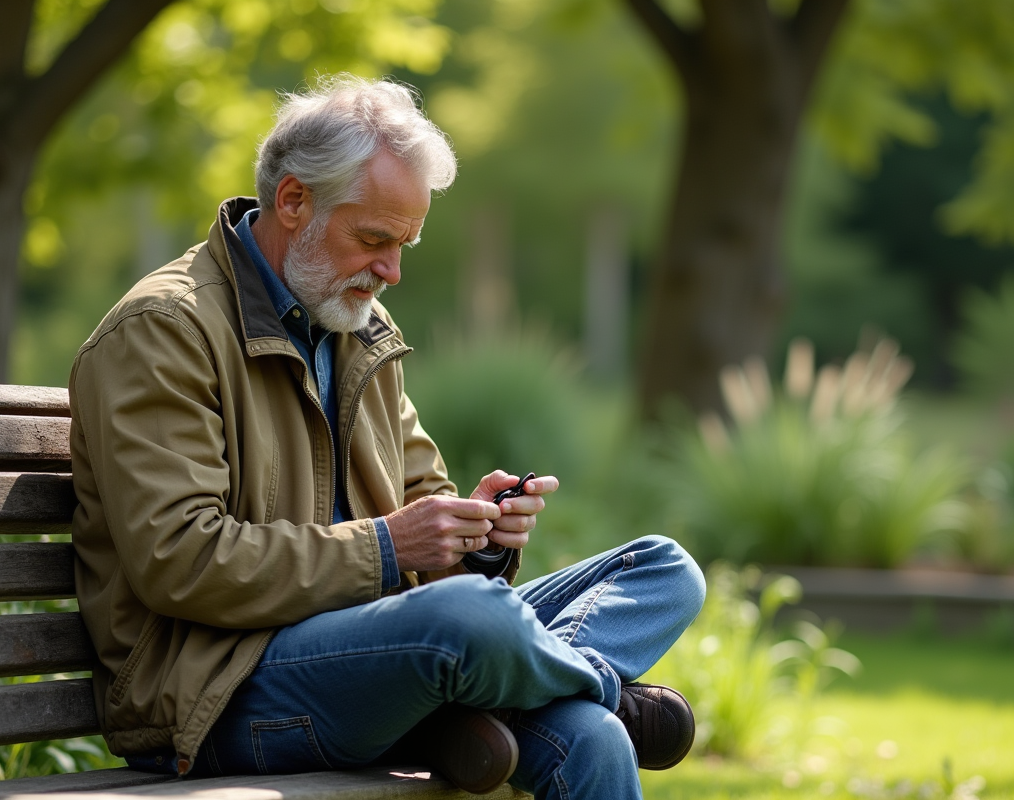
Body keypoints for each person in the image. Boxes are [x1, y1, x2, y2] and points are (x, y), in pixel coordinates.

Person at [69, 75, 705, 800]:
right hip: (219, 693)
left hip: (383, 658)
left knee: (662, 575)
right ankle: (602, 687)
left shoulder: (354, 327)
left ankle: (532, 692)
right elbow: (178, 560)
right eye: (374, 239)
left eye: (403, 244)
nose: (392, 272)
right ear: (293, 201)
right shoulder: (163, 330)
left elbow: (421, 504)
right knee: (475, 626)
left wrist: (479, 536)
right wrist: (388, 547)